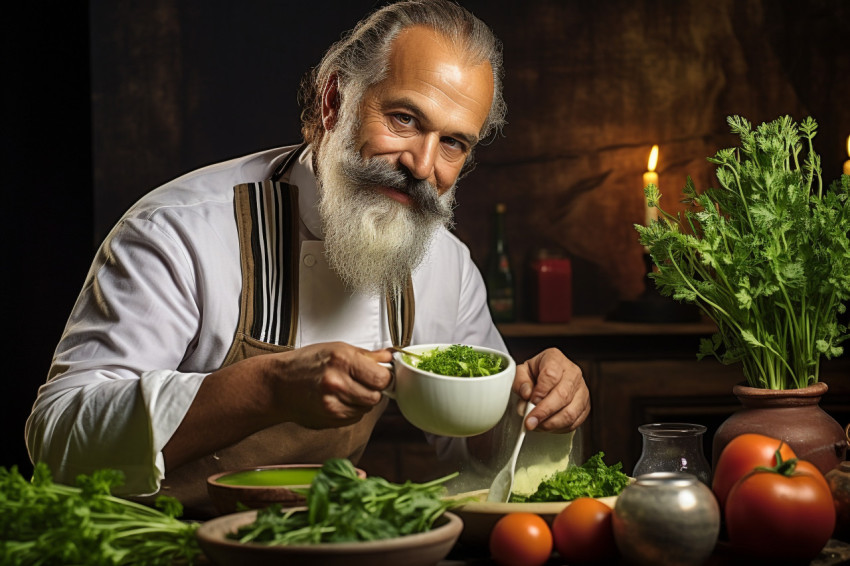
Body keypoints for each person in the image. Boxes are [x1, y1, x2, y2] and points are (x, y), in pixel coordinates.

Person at [26, 0, 590, 517]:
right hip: (161, 546)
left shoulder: (444, 265)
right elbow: (58, 436)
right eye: (404, 119)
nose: (422, 165)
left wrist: (535, 407)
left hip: (320, 547)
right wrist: (269, 386)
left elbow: (479, 444)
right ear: (333, 101)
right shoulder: (181, 229)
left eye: (453, 143)